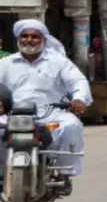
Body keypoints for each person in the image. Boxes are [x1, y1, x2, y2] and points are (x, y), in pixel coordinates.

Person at [0, 19, 91, 182]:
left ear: (43, 40)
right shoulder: (5, 63)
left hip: (51, 114)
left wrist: (79, 99)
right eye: (24, 36)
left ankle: (65, 172)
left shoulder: (59, 62)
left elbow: (77, 81)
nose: (29, 40)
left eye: (34, 37)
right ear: (18, 39)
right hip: (12, 114)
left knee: (71, 126)